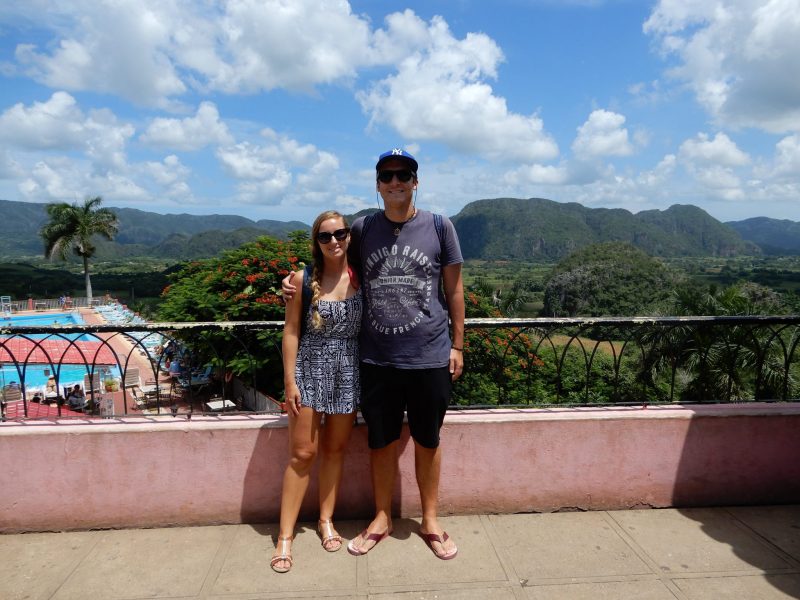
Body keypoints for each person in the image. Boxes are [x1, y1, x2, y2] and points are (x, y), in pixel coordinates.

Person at [282, 148, 464, 560]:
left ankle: (430, 520)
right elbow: (332, 260)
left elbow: (453, 289)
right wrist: (294, 282)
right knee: (380, 442)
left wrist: (458, 344)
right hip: (376, 358)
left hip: (429, 355)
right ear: (378, 184)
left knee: (428, 440)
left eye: (403, 175)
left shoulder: (440, 227)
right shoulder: (363, 228)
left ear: (416, 181)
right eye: (387, 176)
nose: (395, 182)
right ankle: (382, 517)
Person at [271, 210, 363, 574]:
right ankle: (285, 537)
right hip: (310, 369)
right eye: (325, 236)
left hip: (347, 369)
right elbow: (291, 331)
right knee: (302, 454)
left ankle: (326, 520)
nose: (334, 241)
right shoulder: (302, 279)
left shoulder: (361, 277)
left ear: (349, 237)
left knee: (336, 449)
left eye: (340, 234)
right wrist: (290, 380)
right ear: (316, 242)